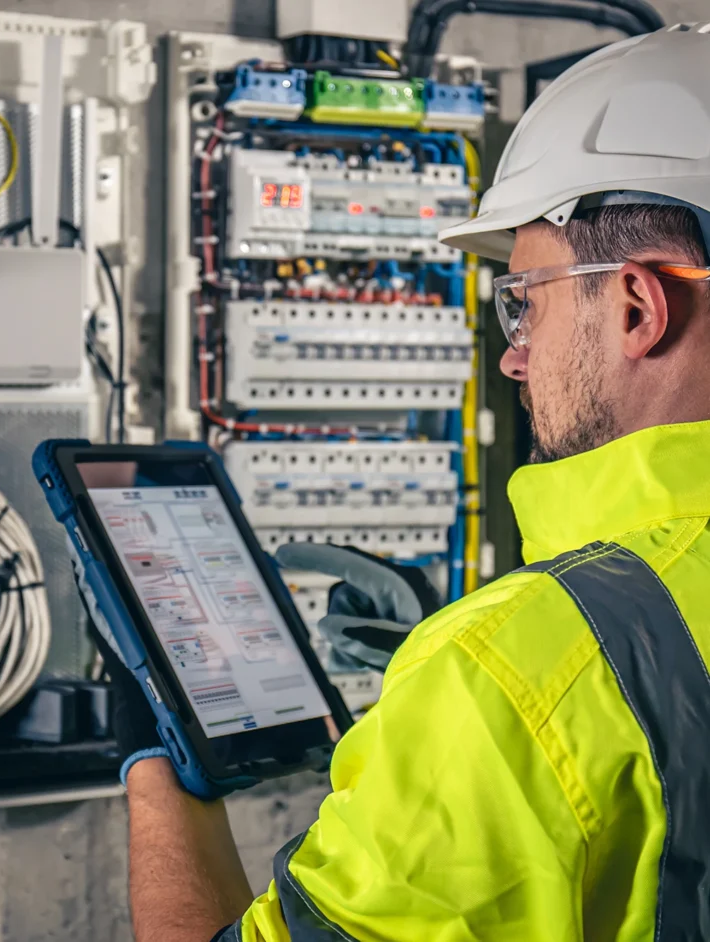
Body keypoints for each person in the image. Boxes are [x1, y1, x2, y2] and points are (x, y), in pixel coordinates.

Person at [115, 26, 710, 940]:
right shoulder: (532, 665)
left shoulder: (509, 676)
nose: (514, 359)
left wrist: (153, 741)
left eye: (526, 302)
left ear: (637, 305)